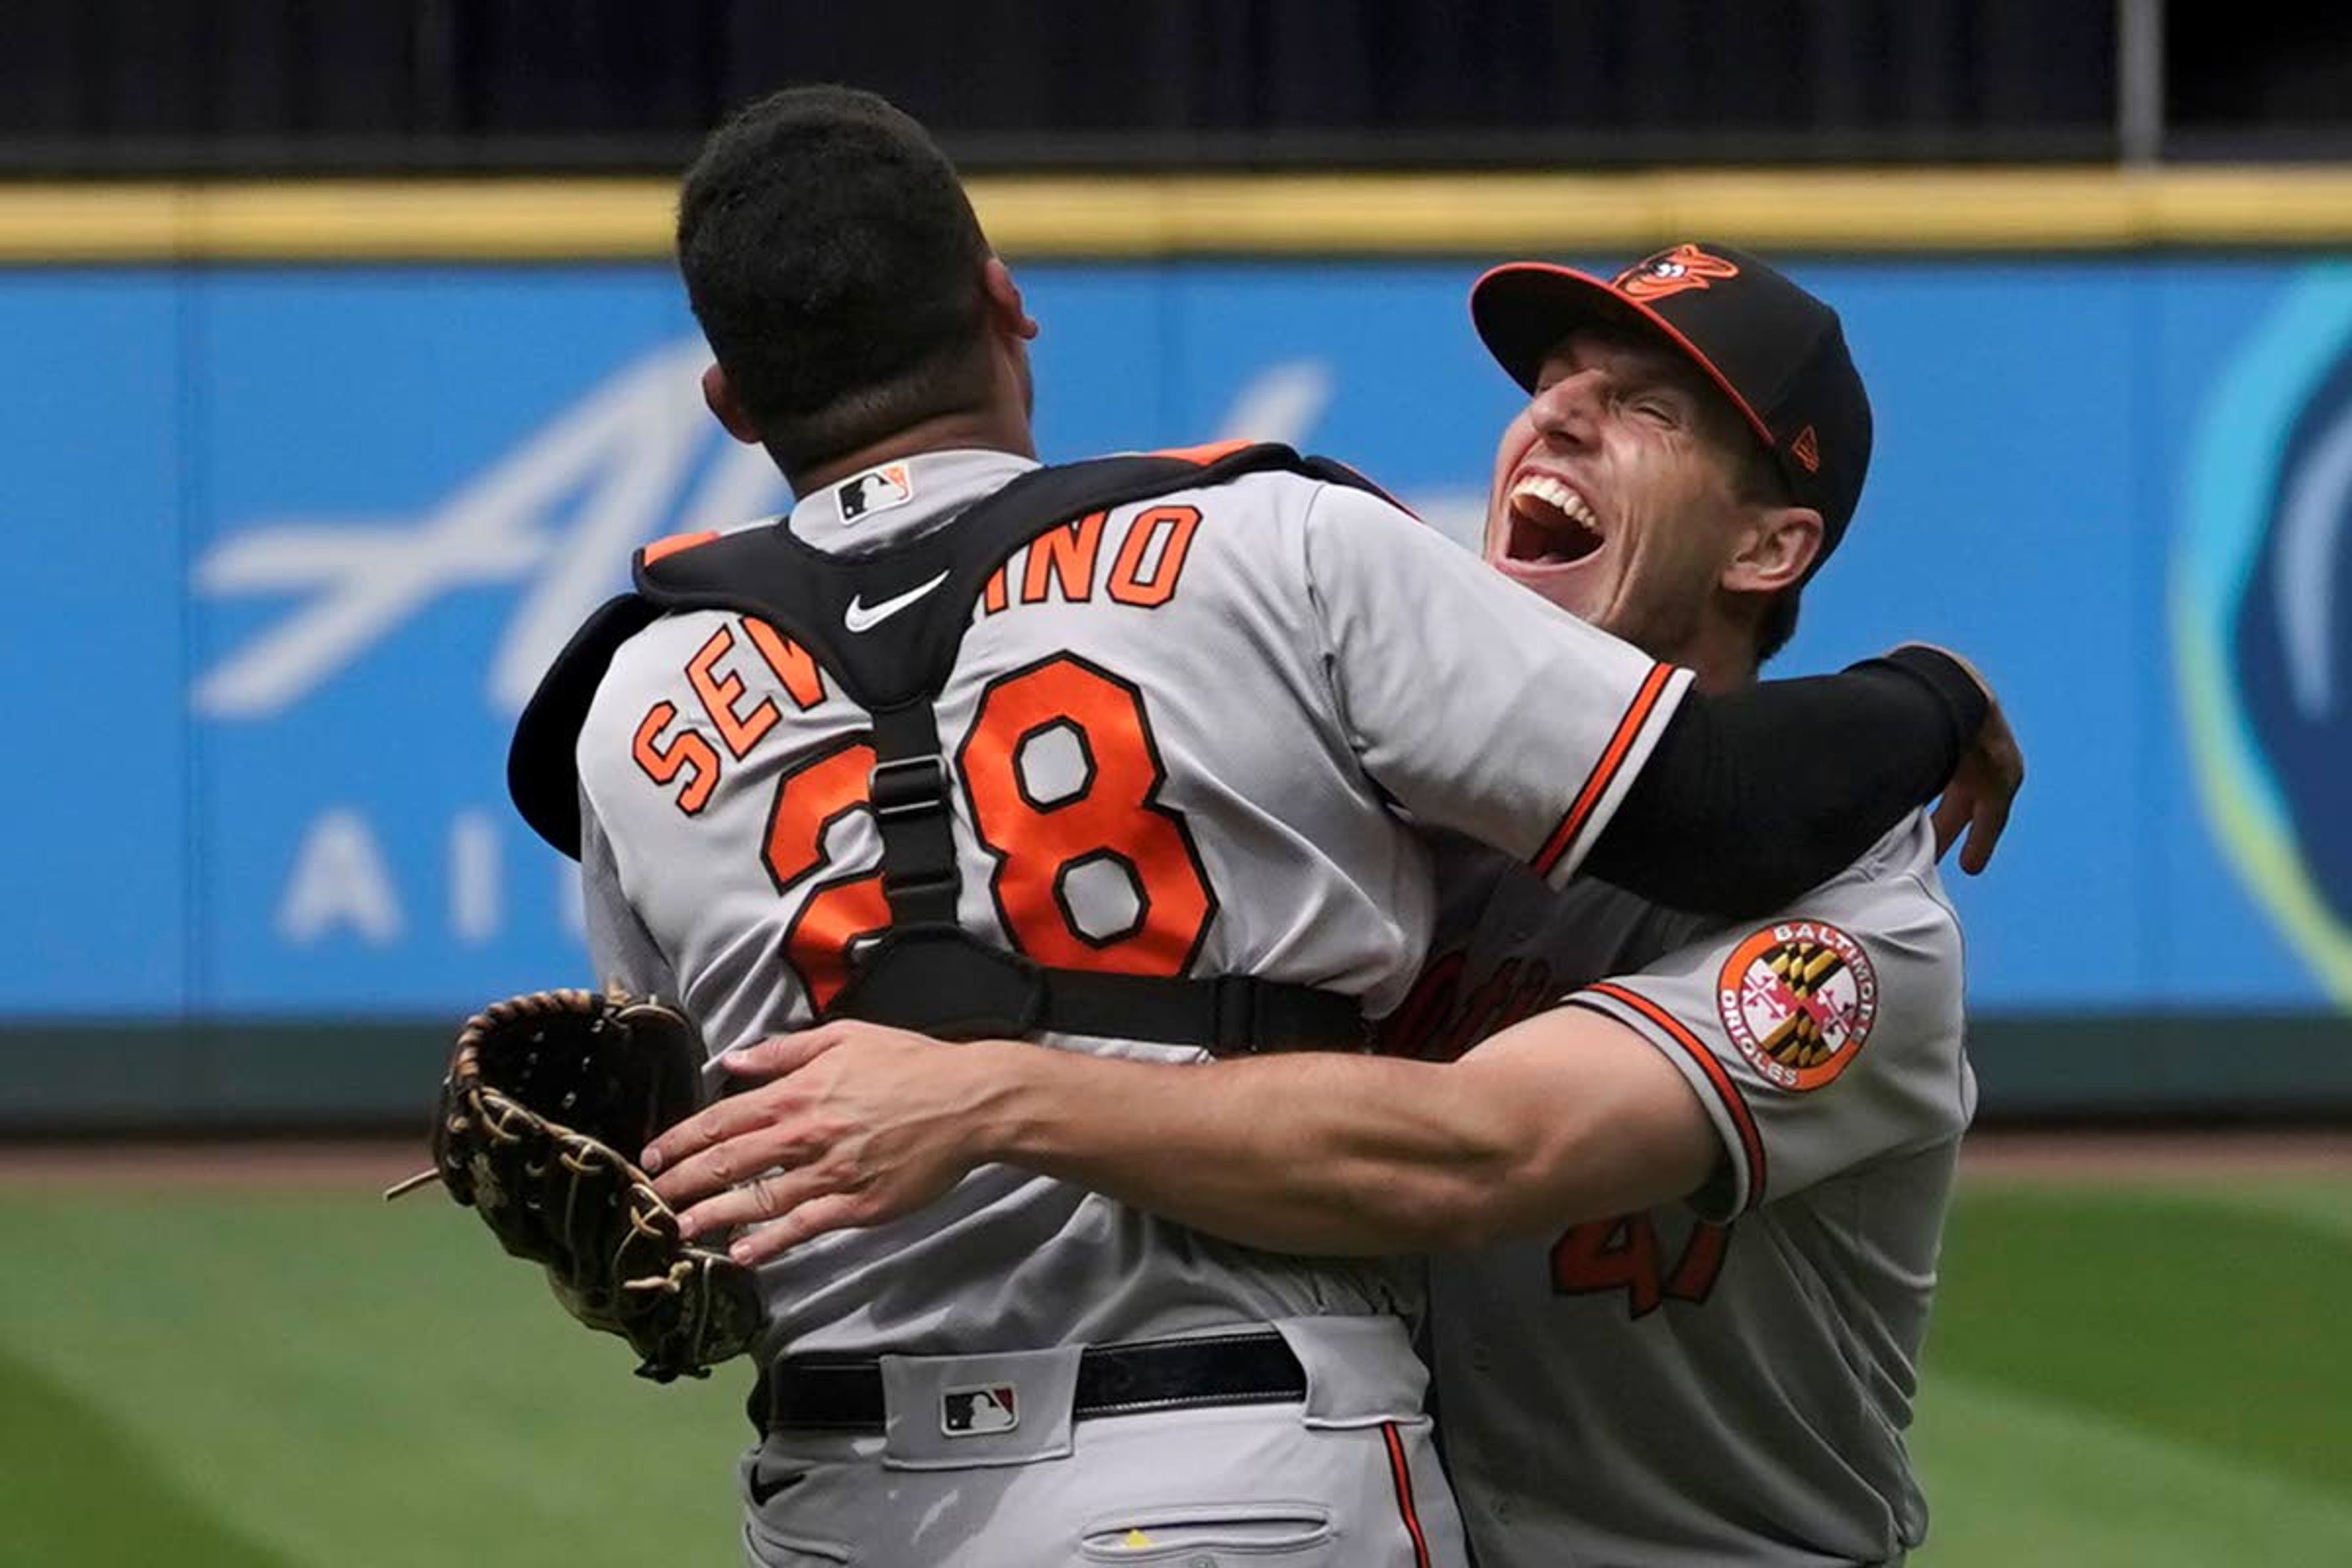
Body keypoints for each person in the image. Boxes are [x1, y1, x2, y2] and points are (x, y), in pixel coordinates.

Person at [533, 82, 2002, 1566]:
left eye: (1647, 409)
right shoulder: (1378, 813)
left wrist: (985, 1090)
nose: (1557, 415)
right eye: (1551, 385)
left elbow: (1483, 1149)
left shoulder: (1850, 931)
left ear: (1771, 542)